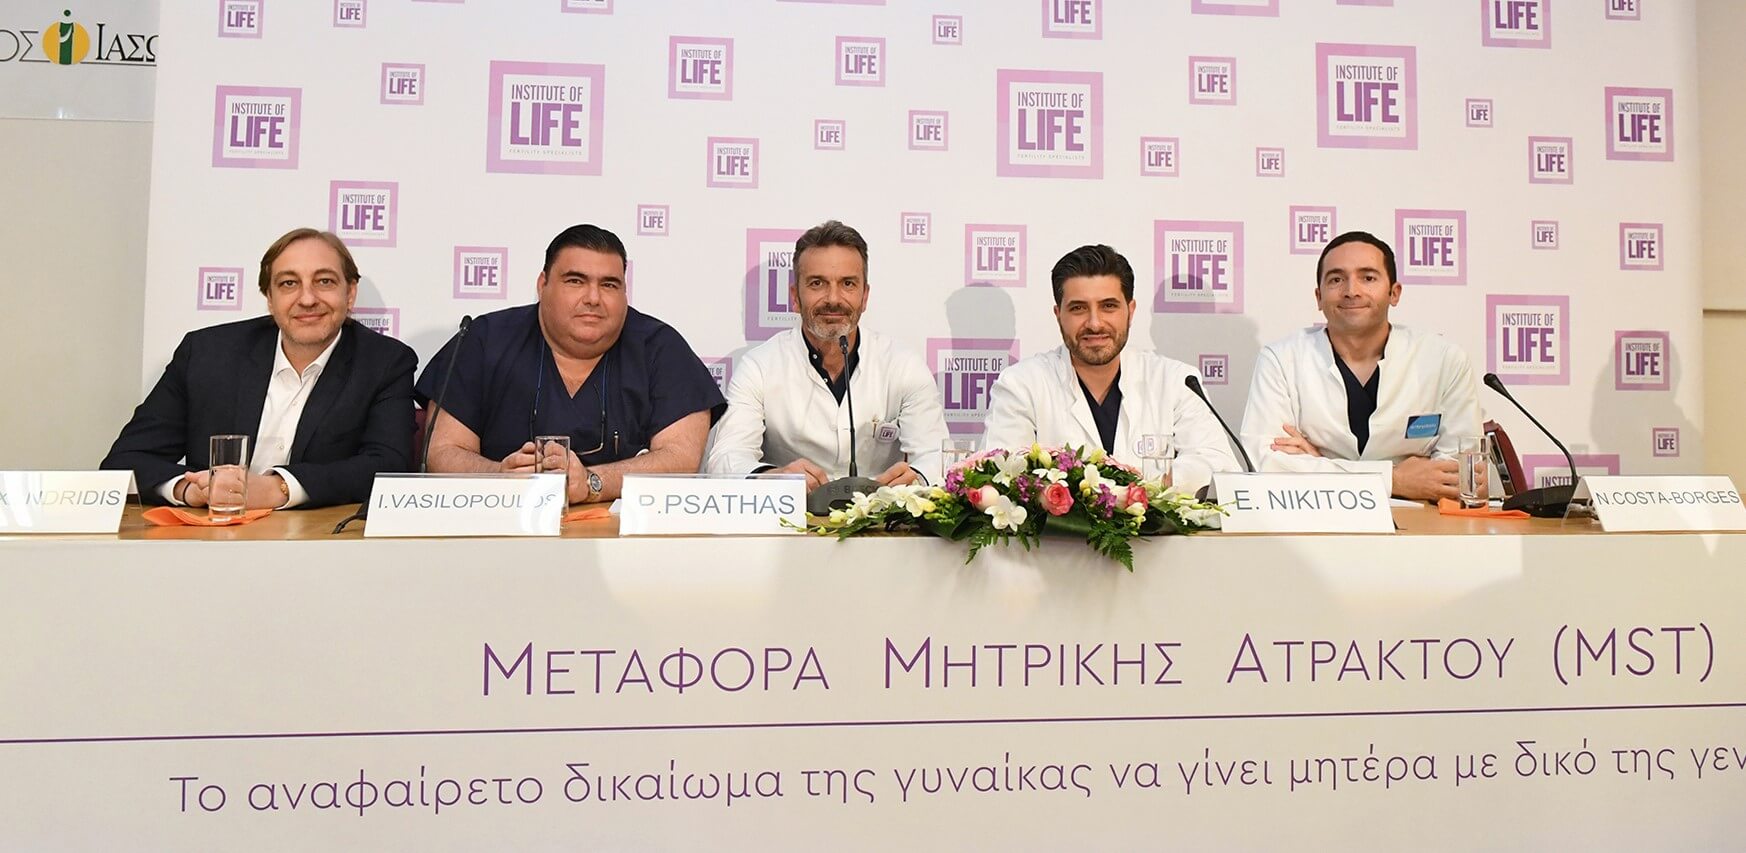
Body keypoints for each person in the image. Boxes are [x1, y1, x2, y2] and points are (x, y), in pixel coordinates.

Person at [102, 228, 417, 509]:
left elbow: (388, 466)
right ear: (269, 298)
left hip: (314, 542)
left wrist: (279, 488)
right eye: (289, 283)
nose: (307, 299)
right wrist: (191, 491)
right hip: (211, 538)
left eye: (324, 281)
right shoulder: (206, 354)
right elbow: (125, 460)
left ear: (350, 293)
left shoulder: (385, 363)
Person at [417, 223, 725, 504]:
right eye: (575, 281)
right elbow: (442, 451)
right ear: (542, 285)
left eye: (609, 285)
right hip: (501, 525)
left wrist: (592, 483)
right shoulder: (485, 340)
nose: (593, 298)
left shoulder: (659, 347)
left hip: (622, 535)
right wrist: (498, 476)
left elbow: (680, 457)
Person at [1238, 230, 1481, 501]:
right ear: (1319, 297)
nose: (1351, 291)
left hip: (1423, 522)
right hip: (1317, 519)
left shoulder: (1444, 360)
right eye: (1336, 280)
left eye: (1368, 278)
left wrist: (1319, 464)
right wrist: (1395, 479)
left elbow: (1462, 475)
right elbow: (1266, 464)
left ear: (1394, 293)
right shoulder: (1281, 359)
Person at [705, 220, 948, 489]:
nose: (833, 299)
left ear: (864, 297)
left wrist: (917, 477)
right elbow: (726, 458)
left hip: (882, 513)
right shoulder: (759, 367)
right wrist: (773, 477)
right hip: (795, 512)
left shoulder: (903, 365)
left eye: (848, 283)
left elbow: (937, 456)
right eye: (817, 283)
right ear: (795, 297)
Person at [982, 244, 1239, 492]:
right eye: (1078, 308)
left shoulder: (1176, 381)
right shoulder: (1021, 384)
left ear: (1130, 310)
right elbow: (1001, 474)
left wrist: (1150, 490)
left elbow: (1216, 463)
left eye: (1108, 306)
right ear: (1058, 314)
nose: (1095, 323)